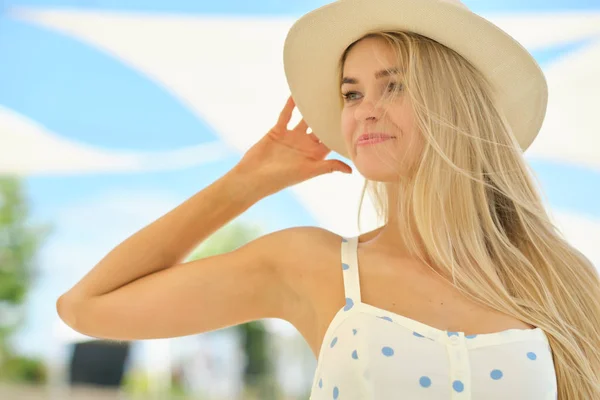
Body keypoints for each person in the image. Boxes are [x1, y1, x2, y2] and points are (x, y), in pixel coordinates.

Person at [56, 0, 600, 398]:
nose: (364, 109)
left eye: (395, 85)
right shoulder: (313, 265)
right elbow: (87, 307)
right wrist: (245, 182)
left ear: (455, 105)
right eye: (351, 93)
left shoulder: (559, 279)